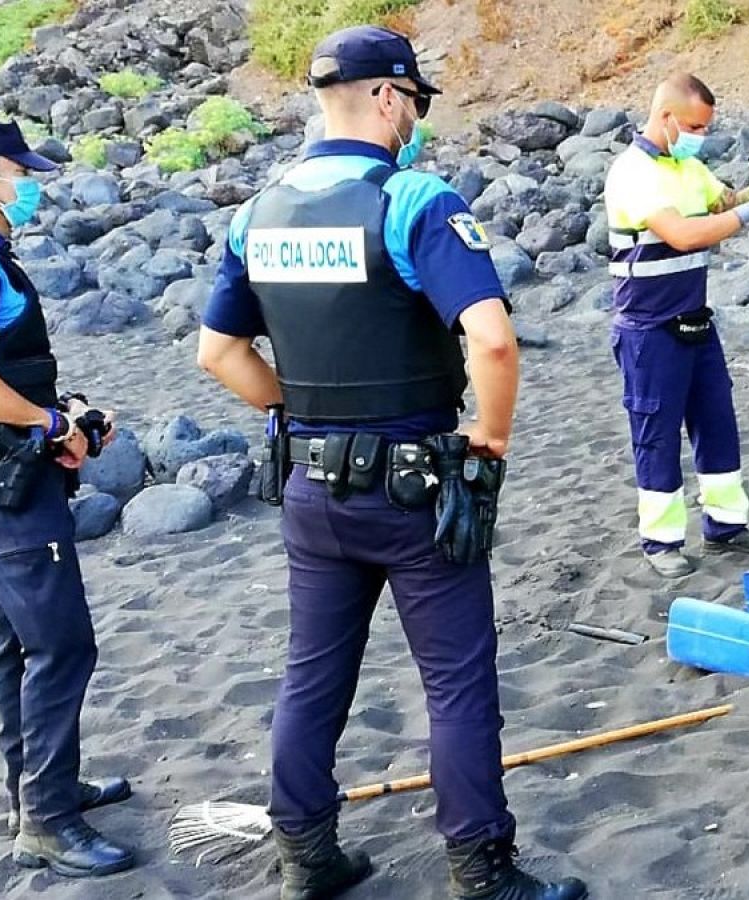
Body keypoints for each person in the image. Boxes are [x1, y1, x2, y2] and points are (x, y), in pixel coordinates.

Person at [196, 26, 585, 900]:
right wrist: (490, 436)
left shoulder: (258, 212)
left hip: (310, 483)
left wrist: (292, 410)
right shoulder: (412, 198)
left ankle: (306, 855)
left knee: (312, 672)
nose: (413, 118)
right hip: (414, 486)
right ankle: (480, 868)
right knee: (454, 681)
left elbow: (216, 352)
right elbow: (491, 341)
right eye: (412, 101)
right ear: (384, 96)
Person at [0, 120, 133, 876]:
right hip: (3, 479)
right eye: (20, 170)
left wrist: (56, 414)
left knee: (20, 636)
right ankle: (46, 820)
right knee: (63, 643)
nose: (30, 183)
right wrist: (50, 423)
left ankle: (37, 789)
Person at [602, 74, 749, 578]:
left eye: (706, 127)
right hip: (648, 327)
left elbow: (720, 203)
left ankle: (726, 527)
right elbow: (684, 235)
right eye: (692, 126)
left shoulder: (687, 166)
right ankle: (661, 541)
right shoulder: (634, 172)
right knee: (656, 434)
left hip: (694, 322)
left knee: (717, 423)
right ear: (665, 117)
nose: (699, 135)